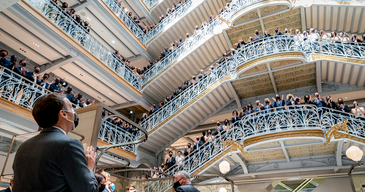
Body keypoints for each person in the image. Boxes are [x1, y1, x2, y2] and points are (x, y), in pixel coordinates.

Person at [12, 93, 98, 191]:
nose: (74, 113)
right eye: (71, 108)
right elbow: (88, 190)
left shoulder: (23, 147)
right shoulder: (69, 145)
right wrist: (89, 168)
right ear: (63, 114)